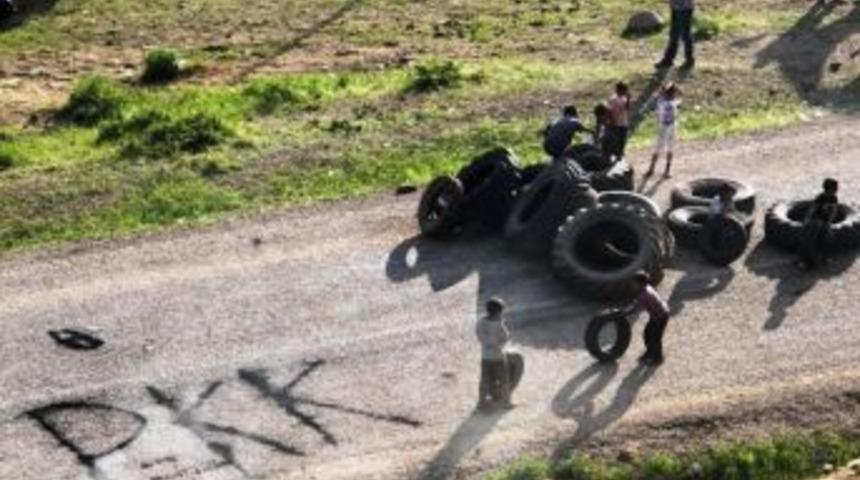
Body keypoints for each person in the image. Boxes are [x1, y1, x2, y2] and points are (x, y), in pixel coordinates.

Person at [626, 272, 670, 366]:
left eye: (634, 283)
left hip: (660, 316)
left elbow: (636, 309)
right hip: (657, 315)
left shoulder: (645, 295)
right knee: (647, 334)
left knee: (655, 337)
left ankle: (658, 358)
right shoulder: (645, 288)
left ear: (641, 284)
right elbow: (636, 303)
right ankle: (649, 353)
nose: (631, 285)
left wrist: (623, 313)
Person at [476, 297, 513, 409]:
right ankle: (505, 402)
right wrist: (499, 343)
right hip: (498, 357)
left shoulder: (481, 322)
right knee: (503, 379)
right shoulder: (499, 324)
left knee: (485, 379)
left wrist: (488, 343)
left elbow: (479, 335)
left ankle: (482, 402)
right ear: (498, 312)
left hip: (485, 356)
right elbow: (505, 337)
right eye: (501, 312)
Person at [799, 178, 840, 269]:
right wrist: (806, 221)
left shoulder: (834, 198)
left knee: (828, 239)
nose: (837, 190)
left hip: (824, 222)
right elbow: (812, 210)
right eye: (835, 188)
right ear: (829, 189)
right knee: (810, 240)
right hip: (815, 221)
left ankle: (825, 258)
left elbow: (834, 210)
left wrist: (829, 222)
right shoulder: (820, 198)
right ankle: (806, 262)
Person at [646, 83, 681, 178]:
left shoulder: (672, 102)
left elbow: (679, 93)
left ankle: (664, 170)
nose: (671, 94)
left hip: (671, 128)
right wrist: (665, 88)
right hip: (664, 128)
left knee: (669, 149)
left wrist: (670, 87)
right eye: (670, 92)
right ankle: (653, 169)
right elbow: (658, 94)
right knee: (659, 149)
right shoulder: (663, 102)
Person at [655, 0, 696, 70]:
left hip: (684, 8)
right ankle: (669, 59)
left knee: (684, 34)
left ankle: (689, 60)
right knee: (674, 34)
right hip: (677, 7)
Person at [606, 82, 632, 161]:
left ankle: (619, 155)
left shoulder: (624, 98)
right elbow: (609, 111)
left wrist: (628, 100)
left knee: (622, 140)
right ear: (620, 89)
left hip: (623, 123)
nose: (626, 92)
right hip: (615, 123)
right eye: (625, 90)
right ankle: (612, 155)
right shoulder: (613, 99)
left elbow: (627, 109)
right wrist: (612, 121)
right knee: (615, 141)